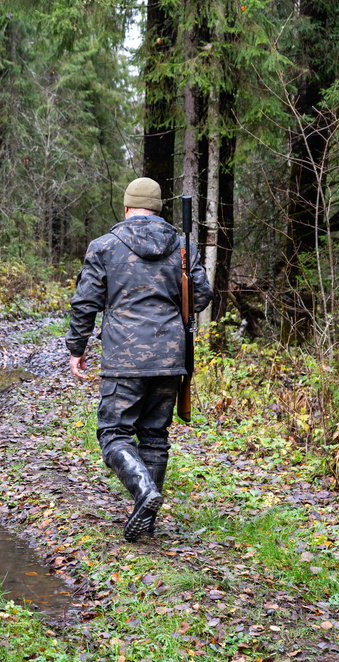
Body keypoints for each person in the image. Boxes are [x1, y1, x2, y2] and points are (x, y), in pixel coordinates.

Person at [67, 177, 213, 541]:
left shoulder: (105, 247)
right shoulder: (182, 247)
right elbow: (201, 295)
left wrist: (76, 347)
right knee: (153, 435)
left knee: (114, 432)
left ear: (128, 207)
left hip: (124, 357)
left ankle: (144, 492)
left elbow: (85, 302)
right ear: (158, 209)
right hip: (170, 358)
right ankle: (145, 521)